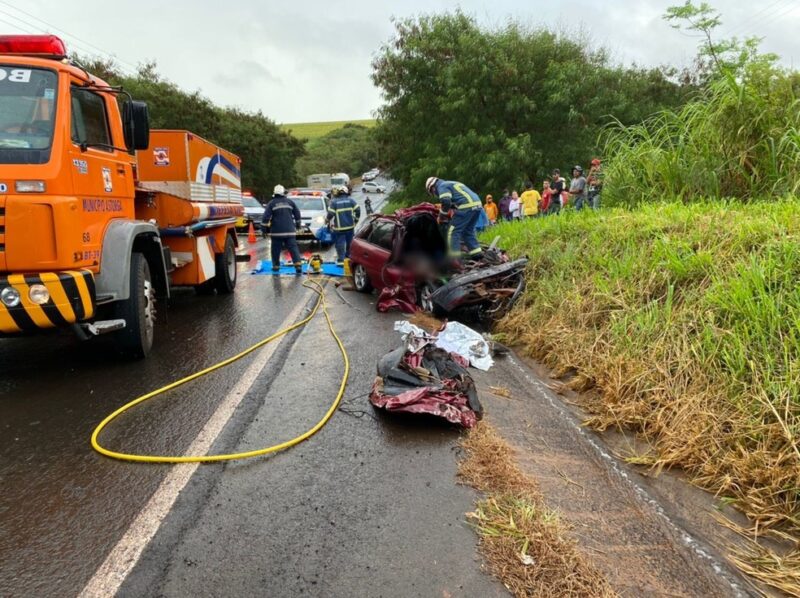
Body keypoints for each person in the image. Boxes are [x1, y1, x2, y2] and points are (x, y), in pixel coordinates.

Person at [426, 177, 483, 263]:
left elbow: (445, 201)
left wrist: (441, 216)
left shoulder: (441, 186)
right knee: (468, 231)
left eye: (433, 192)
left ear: (432, 187)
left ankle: (455, 260)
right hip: (477, 205)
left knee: (452, 232)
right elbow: (455, 199)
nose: (435, 193)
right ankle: (477, 255)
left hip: (466, 206)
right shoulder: (450, 183)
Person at [262, 184, 303, 274]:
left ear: (274, 193)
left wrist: (264, 229)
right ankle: (298, 265)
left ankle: (276, 266)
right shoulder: (290, 202)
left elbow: (266, 217)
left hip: (277, 232)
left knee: (275, 249)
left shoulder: (271, 203)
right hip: (290, 231)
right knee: (293, 248)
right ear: (283, 192)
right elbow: (297, 213)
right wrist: (298, 224)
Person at [326, 185, 361, 264]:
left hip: (339, 228)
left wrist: (327, 220)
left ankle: (341, 261)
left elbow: (330, 214)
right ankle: (348, 258)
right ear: (346, 192)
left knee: (340, 243)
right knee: (350, 243)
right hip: (350, 227)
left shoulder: (334, 202)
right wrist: (356, 221)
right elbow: (358, 210)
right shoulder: (351, 201)